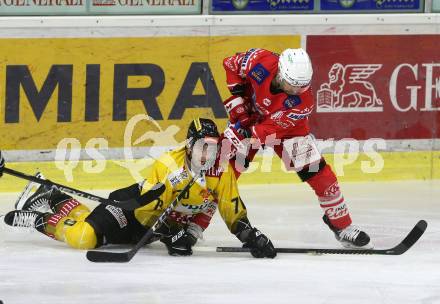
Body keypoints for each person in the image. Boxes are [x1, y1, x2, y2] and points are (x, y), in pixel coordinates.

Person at [2, 118, 276, 258]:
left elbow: (232, 209)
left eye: (213, 148)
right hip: (132, 210)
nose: (208, 154)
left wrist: (252, 238)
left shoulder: (221, 171)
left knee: (91, 231)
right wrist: (172, 234)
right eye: (203, 147)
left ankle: (51, 195)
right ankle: (40, 219)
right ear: (190, 145)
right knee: (84, 237)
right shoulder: (169, 166)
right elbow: (150, 211)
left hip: (152, 227)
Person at [221, 48, 372, 249]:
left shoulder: (303, 102)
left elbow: (268, 131)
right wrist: (238, 92)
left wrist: (244, 133)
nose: (296, 91)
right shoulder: (260, 61)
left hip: (288, 132)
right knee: (222, 173)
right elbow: (230, 64)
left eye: (302, 87)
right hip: (250, 119)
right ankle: (191, 222)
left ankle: (343, 227)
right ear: (280, 74)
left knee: (322, 177)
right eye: (292, 86)